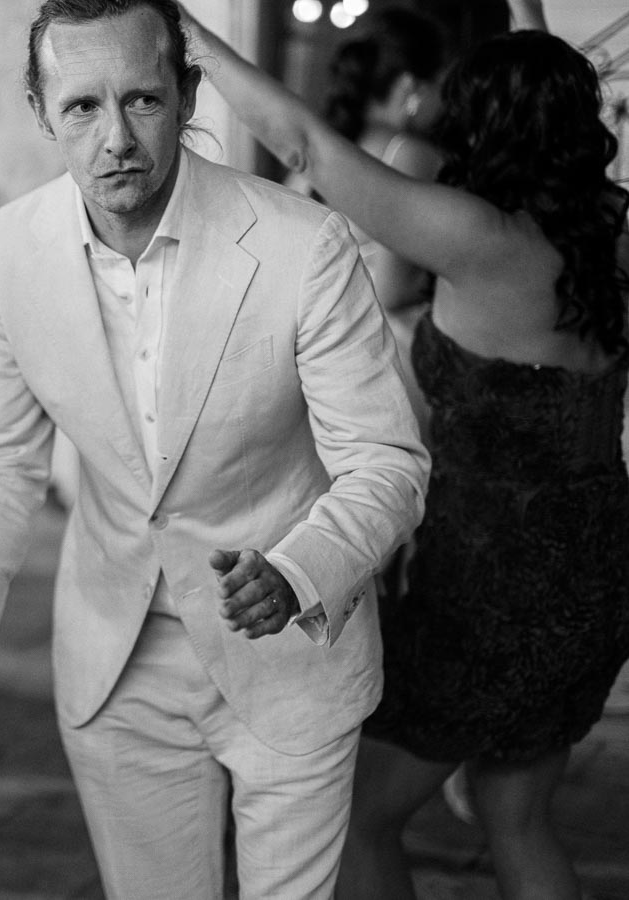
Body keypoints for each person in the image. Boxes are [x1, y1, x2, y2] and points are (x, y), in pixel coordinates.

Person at [0, 2, 429, 897]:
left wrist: (297, 568)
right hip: (114, 658)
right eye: (83, 106)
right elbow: (1, 462)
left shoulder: (301, 245)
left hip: (290, 650)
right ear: (40, 107)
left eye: (142, 100)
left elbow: (389, 462)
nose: (116, 138)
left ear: (188, 93)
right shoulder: (1, 254)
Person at [176, 1, 629, 897]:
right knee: (516, 818)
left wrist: (179, 27)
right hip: (595, 571)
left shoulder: (475, 236)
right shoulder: (613, 228)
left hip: (490, 589)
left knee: (359, 817)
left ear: (484, 123)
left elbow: (302, 144)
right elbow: (550, 75)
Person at [301, 7, 448, 425]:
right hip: (390, 359)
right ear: (411, 86)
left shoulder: (315, 156)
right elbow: (391, 291)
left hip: (319, 360)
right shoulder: (409, 155)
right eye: (439, 83)